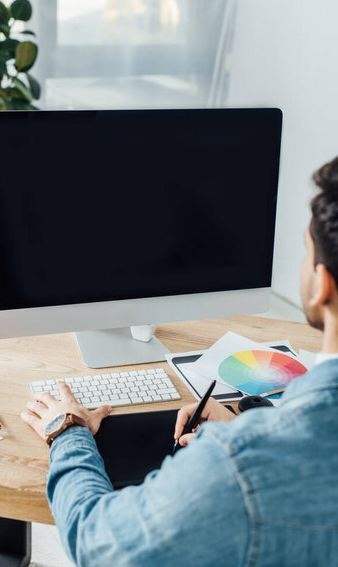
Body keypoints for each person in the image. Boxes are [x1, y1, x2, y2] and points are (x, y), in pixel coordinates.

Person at [21, 158, 338, 566]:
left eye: (306, 249)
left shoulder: (238, 464)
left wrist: (67, 432)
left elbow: (98, 544)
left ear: (322, 284)